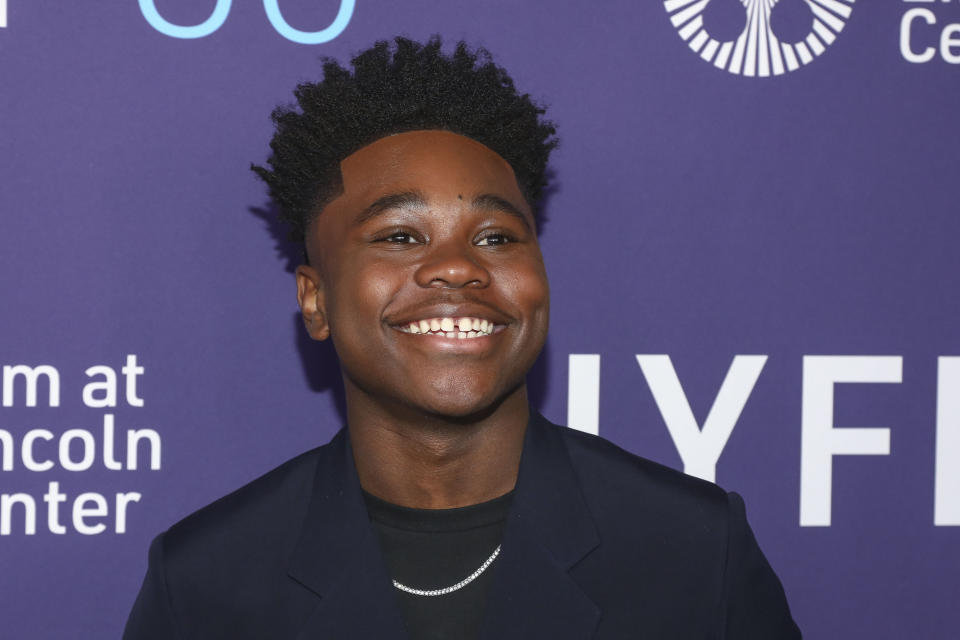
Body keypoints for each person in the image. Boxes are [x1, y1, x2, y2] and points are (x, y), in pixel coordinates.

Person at [124, 37, 801, 639]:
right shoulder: (206, 584)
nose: (457, 266)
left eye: (496, 237)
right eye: (398, 236)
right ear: (316, 298)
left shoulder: (692, 551)